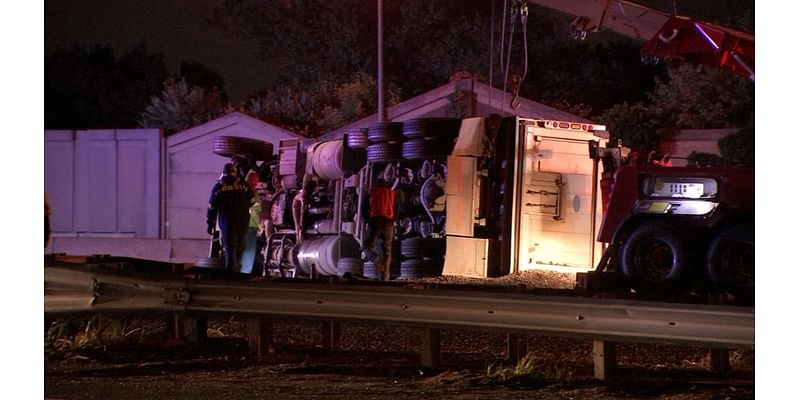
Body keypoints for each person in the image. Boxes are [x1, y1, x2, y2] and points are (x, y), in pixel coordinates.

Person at [207, 163, 256, 273]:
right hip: (243, 221)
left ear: (223, 173)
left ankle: (231, 274)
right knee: (240, 247)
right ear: (235, 172)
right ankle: (238, 271)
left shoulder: (219, 187)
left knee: (230, 249)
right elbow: (252, 201)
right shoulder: (244, 185)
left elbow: (212, 207)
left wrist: (210, 223)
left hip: (227, 222)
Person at [364, 175, 399, 281]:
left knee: (367, 245)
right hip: (389, 223)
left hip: (375, 221)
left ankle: (375, 258)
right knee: (387, 251)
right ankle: (385, 277)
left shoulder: (371, 192)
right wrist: (393, 221)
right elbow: (397, 209)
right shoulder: (392, 194)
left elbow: (364, 208)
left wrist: (367, 220)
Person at [240, 170, 264, 274]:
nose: (256, 182)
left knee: (249, 252)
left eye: (256, 179)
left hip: (250, 226)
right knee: (248, 252)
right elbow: (254, 210)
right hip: (249, 225)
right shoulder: (249, 193)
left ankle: (244, 271)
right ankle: (244, 273)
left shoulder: (250, 192)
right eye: (253, 179)